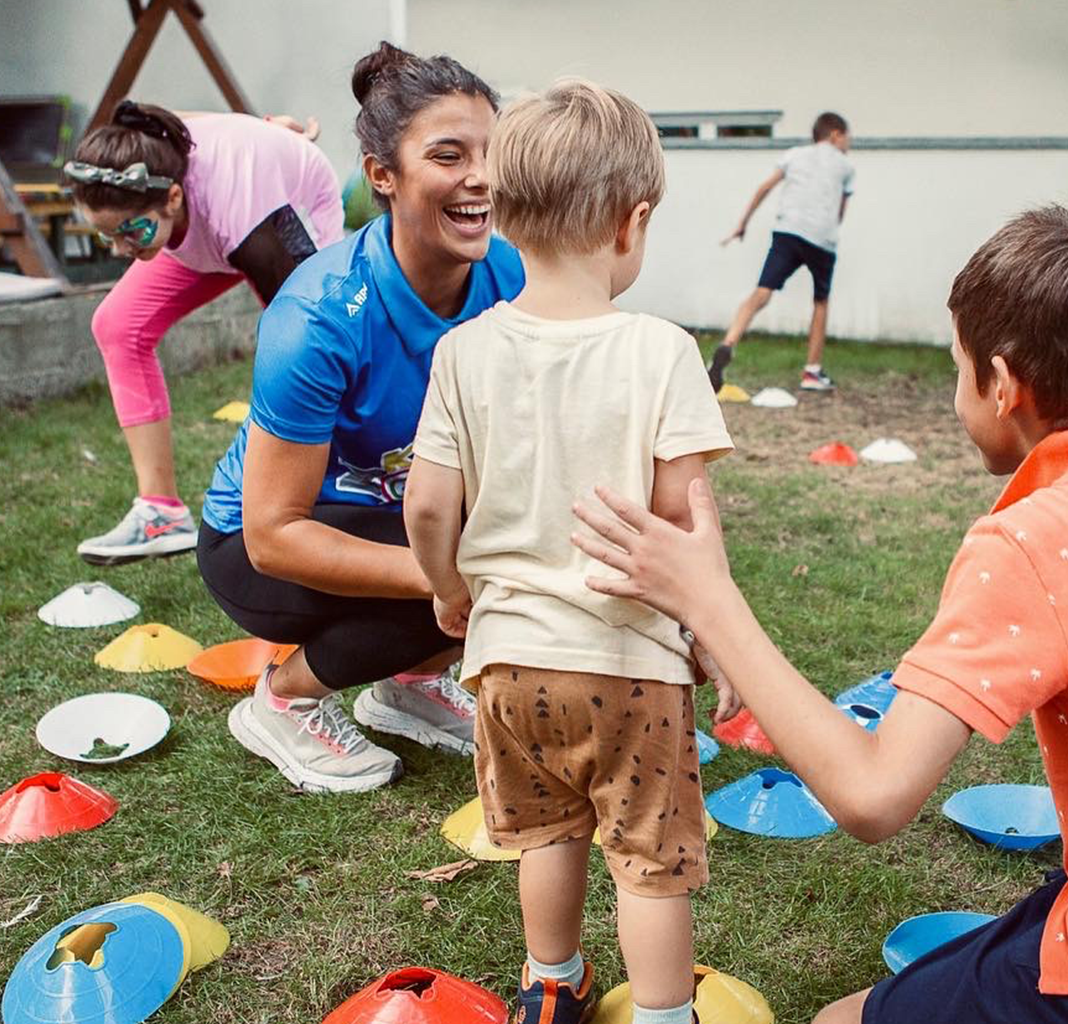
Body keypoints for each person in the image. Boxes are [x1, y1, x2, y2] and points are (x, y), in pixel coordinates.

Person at [573, 206, 1068, 1024]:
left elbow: (872, 798)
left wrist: (708, 598)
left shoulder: (1034, 544)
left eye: (956, 367)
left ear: (1001, 383)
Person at [403, 81, 736, 1024]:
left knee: (548, 834)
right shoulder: (661, 350)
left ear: (500, 214)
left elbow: (428, 503)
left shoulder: (462, 352)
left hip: (506, 660)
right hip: (627, 664)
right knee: (648, 863)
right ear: (632, 225)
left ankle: (550, 985)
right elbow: (683, 518)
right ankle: (665, 1015)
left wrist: (448, 592)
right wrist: (709, 630)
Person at [195, 43, 523, 795]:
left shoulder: (508, 273)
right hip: (259, 545)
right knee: (468, 577)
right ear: (383, 174)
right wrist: (452, 575)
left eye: (491, 152)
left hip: (395, 507)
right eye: (447, 154)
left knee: (502, 545)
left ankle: (408, 686)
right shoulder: (318, 314)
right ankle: (283, 700)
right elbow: (273, 534)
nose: (479, 177)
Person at [65, 101, 344, 565]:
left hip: (278, 208)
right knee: (117, 326)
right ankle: (161, 513)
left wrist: (270, 141)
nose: (119, 250)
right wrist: (264, 126)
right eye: (105, 236)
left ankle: (342, 486)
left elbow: (306, 331)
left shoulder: (246, 209)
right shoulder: (151, 154)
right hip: (204, 232)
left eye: (129, 232)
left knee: (308, 345)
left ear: (172, 197)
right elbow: (182, 121)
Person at [708, 111, 854, 395]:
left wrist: (742, 224)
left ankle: (728, 343)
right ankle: (812, 371)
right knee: (820, 302)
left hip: (788, 231)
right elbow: (840, 212)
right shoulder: (846, 167)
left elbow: (764, 187)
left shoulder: (795, 154)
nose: (849, 143)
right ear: (835, 134)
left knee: (762, 292)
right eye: (848, 137)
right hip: (822, 240)